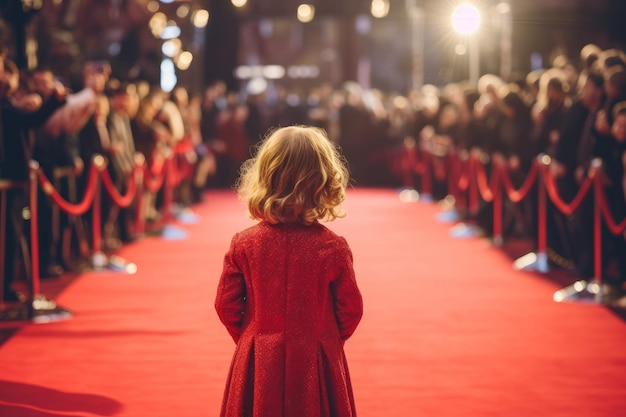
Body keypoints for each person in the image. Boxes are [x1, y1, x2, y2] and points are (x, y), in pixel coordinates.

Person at [214, 125, 363, 417]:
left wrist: (251, 338)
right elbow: (350, 310)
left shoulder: (244, 244)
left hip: (258, 361)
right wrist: (324, 339)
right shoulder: (332, 248)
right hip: (316, 360)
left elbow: (226, 305)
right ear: (323, 181)